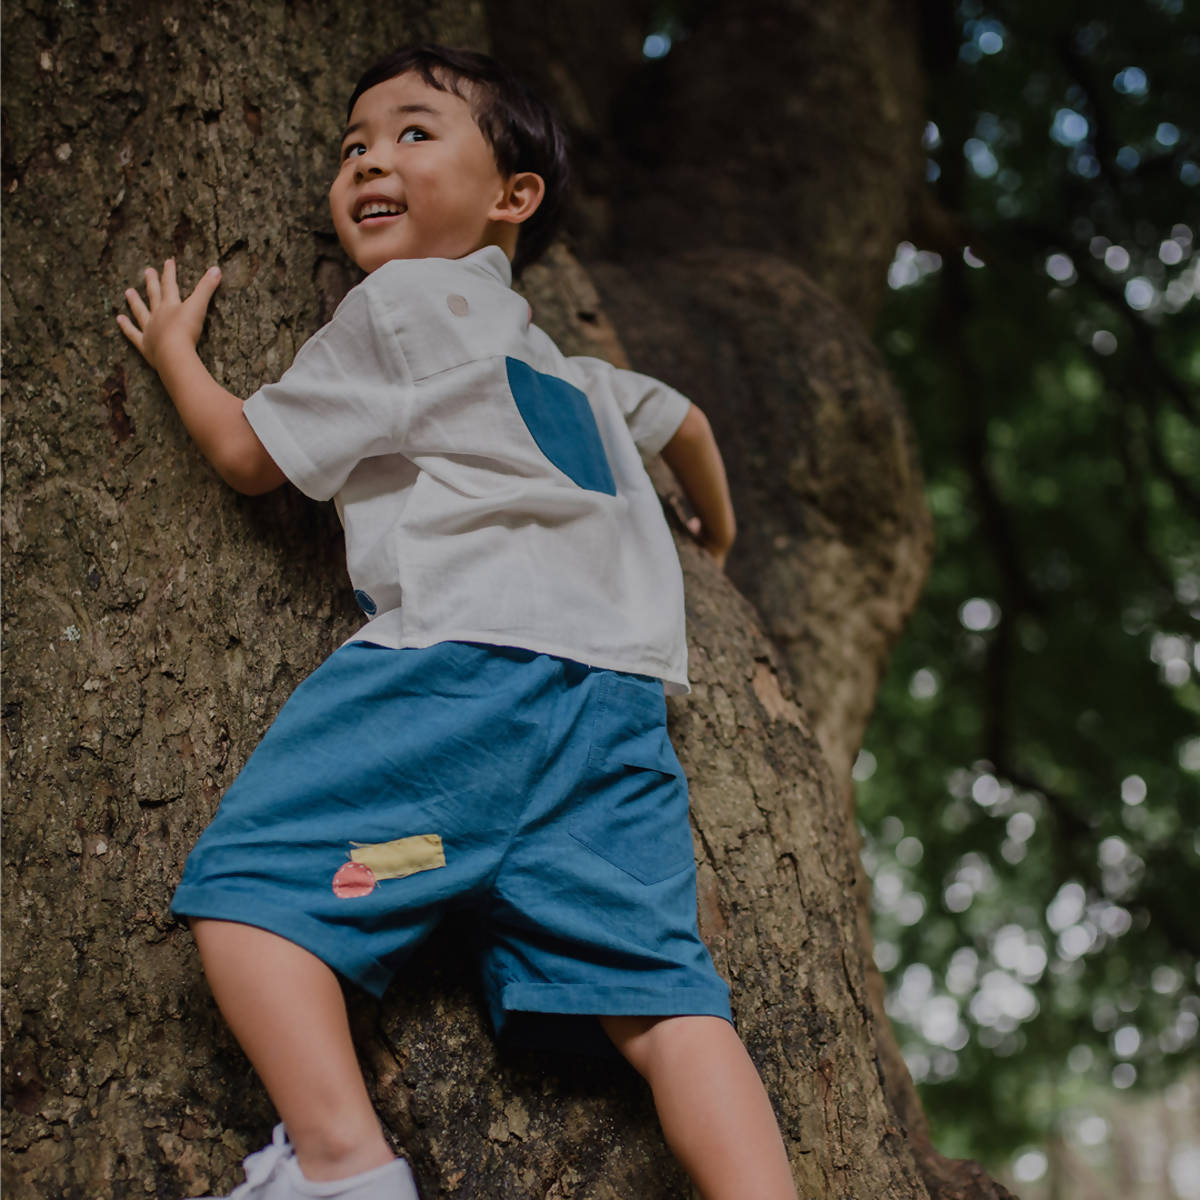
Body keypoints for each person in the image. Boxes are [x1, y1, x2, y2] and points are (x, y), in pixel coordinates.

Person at [117, 43, 798, 1200]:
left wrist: (181, 355)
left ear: (512, 197)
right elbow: (685, 427)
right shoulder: (578, 375)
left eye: (413, 132)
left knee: (250, 896)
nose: (369, 158)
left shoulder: (394, 306)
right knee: (664, 1000)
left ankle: (343, 1165)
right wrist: (717, 540)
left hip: (463, 676)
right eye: (353, 146)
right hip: (618, 707)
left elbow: (245, 455)